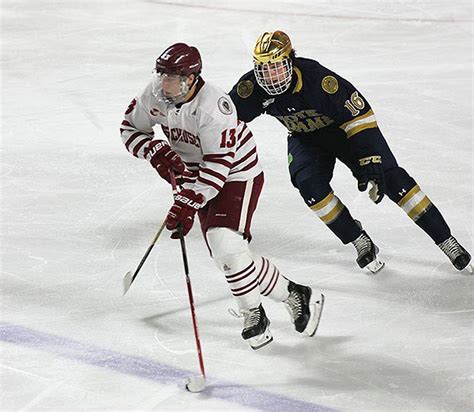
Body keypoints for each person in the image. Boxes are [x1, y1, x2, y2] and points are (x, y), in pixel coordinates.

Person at [120, 43, 325, 350]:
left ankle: (253, 313)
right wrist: (154, 150)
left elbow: (217, 169)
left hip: (236, 174)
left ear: (190, 79)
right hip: (193, 174)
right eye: (161, 74)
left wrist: (187, 204)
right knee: (227, 254)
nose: (164, 83)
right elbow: (129, 129)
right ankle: (295, 293)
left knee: (226, 246)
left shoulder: (214, 107)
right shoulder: (154, 95)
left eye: (172, 77)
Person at [229, 31, 472, 274]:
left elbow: (359, 115)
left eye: (277, 67)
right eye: (264, 69)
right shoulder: (251, 89)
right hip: (305, 139)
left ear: (291, 61)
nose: (270, 76)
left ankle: (446, 240)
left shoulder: (317, 79)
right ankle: (359, 240)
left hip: (345, 134)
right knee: (310, 188)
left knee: (392, 179)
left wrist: (370, 156)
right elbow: (223, 119)